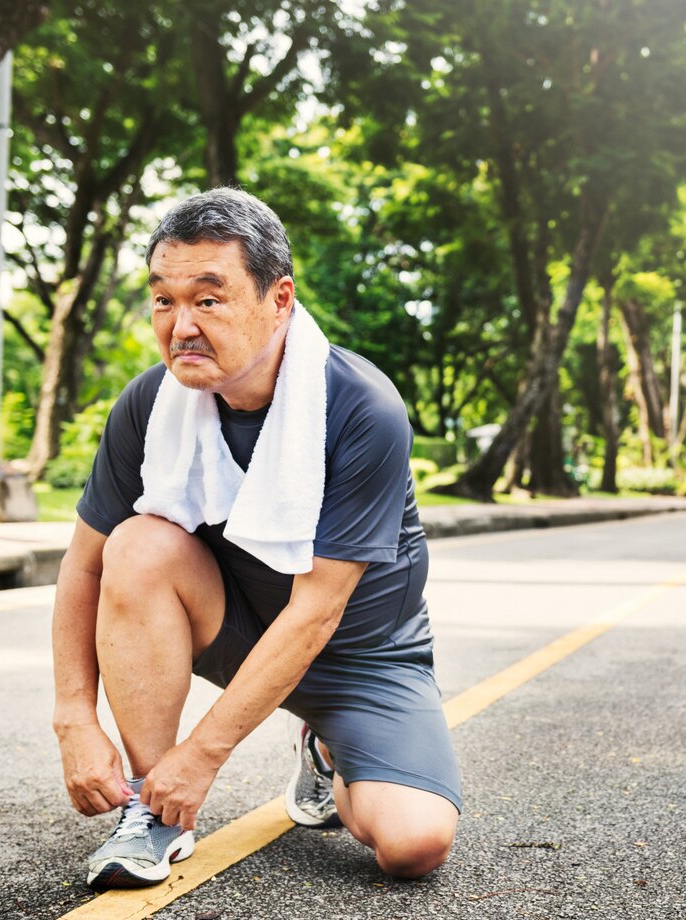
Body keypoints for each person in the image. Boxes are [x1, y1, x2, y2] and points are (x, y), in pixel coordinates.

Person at [51, 188, 460, 892]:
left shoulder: (362, 407)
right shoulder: (150, 404)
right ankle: (156, 810)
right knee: (137, 545)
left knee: (413, 845)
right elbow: (84, 569)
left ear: (279, 300)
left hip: (359, 660)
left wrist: (204, 753)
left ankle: (326, 751)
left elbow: (317, 612)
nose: (180, 325)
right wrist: (73, 718)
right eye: (163, 300)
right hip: (236, 628)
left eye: (208, 300)